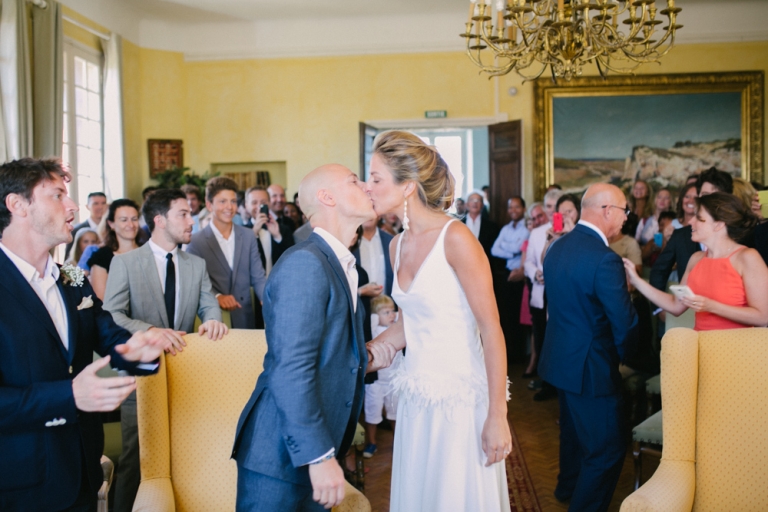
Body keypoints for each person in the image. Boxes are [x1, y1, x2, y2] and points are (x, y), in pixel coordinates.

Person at [0, 158, 167, 511]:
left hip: (83, 473)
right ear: (17, 205)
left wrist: (136, 350)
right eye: (58, 194)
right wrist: (69, 396)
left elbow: (108, 336)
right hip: (18, 484)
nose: (72, 205)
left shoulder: (72, 280)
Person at [363, 130, 512, 512]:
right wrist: (382, 346)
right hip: (417, 399)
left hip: (459, 402)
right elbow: (413, 319)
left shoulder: (456, 238)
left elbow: (491, 329)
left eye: (376, 178)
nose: (367, 187)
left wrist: (498, 414)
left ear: (407, 186)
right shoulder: (396, 244)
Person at [232, 164, 391, 511]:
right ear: (326, 197)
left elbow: (330, 354)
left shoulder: (342, 264)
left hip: (313, 450)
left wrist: (373, 354)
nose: (366, 185)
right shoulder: (306, 263)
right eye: (354, 180)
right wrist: (318, 457)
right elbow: (290, 369)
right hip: (280, 459)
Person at [104, 187, 227, 512]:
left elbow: (209, 305)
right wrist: (150, 331)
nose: (192, 220)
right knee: (136, 459)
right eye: (183, 214)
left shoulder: (195, 264)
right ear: (160, 220)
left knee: (185, 456)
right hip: (139, 378)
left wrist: (214, 320)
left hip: (186, 376)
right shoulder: (126, 263)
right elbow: (112, 316)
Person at [538, 183, 639, 511]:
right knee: (606, 452)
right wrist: (633, 361)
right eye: (625, 210)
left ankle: (567, 487)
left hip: (561, 361)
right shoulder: (605, 259)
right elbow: (624, 324)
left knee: (574, 437)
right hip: (591, 369)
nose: (627, 218)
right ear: (607, 210)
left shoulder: (557, 247)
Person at [626, 192, 768, 331]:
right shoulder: (696, 258)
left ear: (718, 224)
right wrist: (636, 281)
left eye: (699, 218)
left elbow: (763, 317)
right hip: (701, 345)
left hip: (736, 348)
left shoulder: (747, 257)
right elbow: (676, 306)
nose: (690, 222)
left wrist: (711, 306)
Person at [186, 178, 268, 330]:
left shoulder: (248, 235)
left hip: (246, 316)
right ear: (209, 204)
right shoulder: (195, 242)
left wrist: (267, 299)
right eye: (222, 201)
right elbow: (193, 282)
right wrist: (217, 296)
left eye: (233, 201)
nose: (229, 207)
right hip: (215, 321)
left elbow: (258, 277)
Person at [650, 167, 733, 296]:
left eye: (714, 195)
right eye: (705, 196)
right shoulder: (681, 235)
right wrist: (659, 310)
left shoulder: (742, 235)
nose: (709, 201)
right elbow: (659, 271)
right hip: (687, 311)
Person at [524, 187, 563, 401]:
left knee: (560, 338)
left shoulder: (569, 230)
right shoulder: (537, 232)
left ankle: (561, 385)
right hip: (540, 291)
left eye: (555, 207)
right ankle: (547, 383)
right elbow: (528, 261)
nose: (551, 211)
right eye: (548, 206)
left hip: (561, 292)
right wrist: (535, 273)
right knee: (542, 338)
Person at [363, 295, 402, 459]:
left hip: (393, 381)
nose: (391, 315)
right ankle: (371, 442)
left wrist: (391, 311)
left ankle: (398, 442)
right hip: (376, 382)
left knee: (394, 413)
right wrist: (375, 308)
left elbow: (403, 313)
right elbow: (370, 318)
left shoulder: (398, 327)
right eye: (386, 312)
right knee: (373, 413)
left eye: (392, 311)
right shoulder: (375, 329)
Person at [490, 196, 528, 364]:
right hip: (507, 274)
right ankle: (510, 354)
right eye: (510, 207)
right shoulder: (505, 229)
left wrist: (508, 247)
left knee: (520, 318)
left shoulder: (527, 227)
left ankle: (520, 355)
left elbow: (519, 248)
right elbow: (494, 249)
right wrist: (513, 251)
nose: (513, 210)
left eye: (517, 207)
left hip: (521, 275)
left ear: (524, 209)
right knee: (507, 316)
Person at [88, 199, 144, 300]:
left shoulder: (148, 251)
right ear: (111, 224)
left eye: (134, 219)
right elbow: (101, 300)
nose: (131, 225)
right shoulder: (102, 257)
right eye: (124, 220)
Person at [244, 186, 295, 276]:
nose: (259, 207)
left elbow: (291, 259)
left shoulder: (284, 229)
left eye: (263, 202)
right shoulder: (241, 232)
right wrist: (254, 233)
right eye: (254, 202)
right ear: (246, 205)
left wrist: (278, 237)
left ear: (269, 203)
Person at [464, 191, 500, 259]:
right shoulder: (459, 223)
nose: (475, 203)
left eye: (478, 200)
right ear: (467, 204)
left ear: (482, 205)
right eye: (472, 200)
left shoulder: (492, 226)